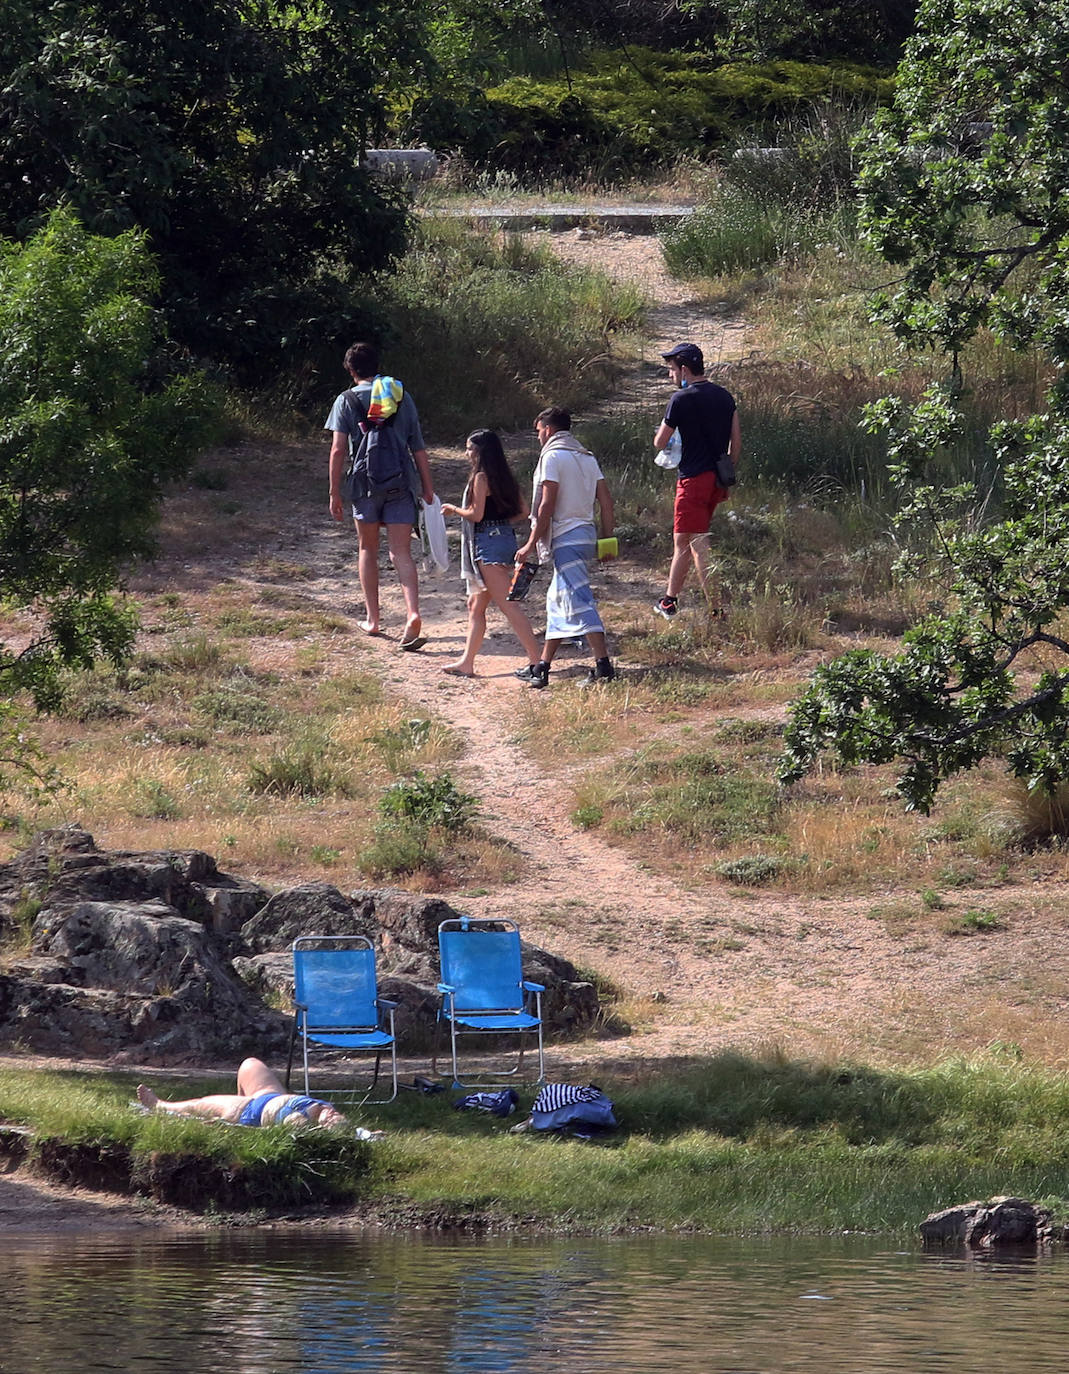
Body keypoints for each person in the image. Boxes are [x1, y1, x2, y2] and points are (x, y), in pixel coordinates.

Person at [326, 341, 435, 648]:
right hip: (401, 482)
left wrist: (335, 492)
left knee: (367, 549)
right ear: (377, 365)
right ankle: (413, 612)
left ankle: (373, 620)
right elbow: (418, 447)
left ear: (350, 369)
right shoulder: (401, 397)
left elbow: (337, 450)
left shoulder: (345, 400)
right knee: (401, 552)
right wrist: (427, 487)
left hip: (365, 486)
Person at [515, 406, 616, 689]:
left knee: (581, 601)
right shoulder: (586, 457)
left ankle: (604, 667)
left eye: (538, 432)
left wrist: (531, 542)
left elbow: (547, 504)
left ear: (547, 429)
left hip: (566, 538)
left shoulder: (552, 457)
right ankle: (542, 668)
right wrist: (608, 541)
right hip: (586, 535)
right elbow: (606, 503)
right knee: (558, 602)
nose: (538, 438)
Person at [440, 429, 543, 677]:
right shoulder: (505, 476)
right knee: (475, 605)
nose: (467, 454)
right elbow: (522, 510)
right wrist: (499, 520)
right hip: (505, 538)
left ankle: (538, 662)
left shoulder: (481, 478)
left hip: (487, 543)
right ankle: (467, 662)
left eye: (470, 449)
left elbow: (475, 514)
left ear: (481, 451)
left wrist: (454, 509)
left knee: (509, 607)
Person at [652, 342, 741, 619]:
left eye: (672, 370)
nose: (670, 376)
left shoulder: (680, 399)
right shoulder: (725, 397)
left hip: (692, 480)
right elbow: (735, 443)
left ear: (685, 370)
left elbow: (659, 442)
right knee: (684, 541)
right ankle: (669, 601)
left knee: (698, 545)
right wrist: (725, 474)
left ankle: (716, 610)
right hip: (716, 479)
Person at [137, 1057, 347, 1129]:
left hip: (248, 1111)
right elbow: (359, 1133)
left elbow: (275, 1135)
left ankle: (159, 1105)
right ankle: (236, 1095)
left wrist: (227, 1126)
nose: (332, 1114)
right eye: (335, 1115)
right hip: (269, 1096)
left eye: (331, 1120)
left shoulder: (299, 1122)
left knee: (198, 1105)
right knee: (250, 1063)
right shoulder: (325, 1110)